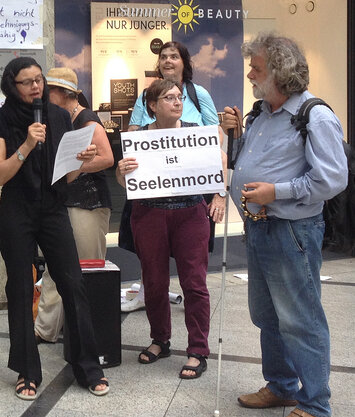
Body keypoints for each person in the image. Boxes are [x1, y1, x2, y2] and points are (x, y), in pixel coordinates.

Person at [221, 34, 346, 417]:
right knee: (268, 317)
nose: (249, 74)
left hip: (292, 233)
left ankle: (315, 404)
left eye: (256, 68)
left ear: (280, 72)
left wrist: (277, 191)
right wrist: (235, 139)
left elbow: (331, 179)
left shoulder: (315, 115)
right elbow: (250, 163)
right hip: (259, 229)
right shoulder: (261, 113)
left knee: (301, 321)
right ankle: (281, 387)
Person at [0, 57, 109, 400]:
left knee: (72, 283)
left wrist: (80, 163)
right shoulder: (0, 120)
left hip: (54, 207)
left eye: (39, 79)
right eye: (27, 82)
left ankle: (88, 365)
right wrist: (26, 145)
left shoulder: (58, 116)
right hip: (16, 210)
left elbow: (67, 175)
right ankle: (27, 370)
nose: (36, 87)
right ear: (12, 86)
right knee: (21, 288)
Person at [116, 79, 225, 380]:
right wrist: (121, 171)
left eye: (179, 97)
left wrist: (219, 194)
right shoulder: (137, 136)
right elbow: (124, 180)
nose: (177, 102)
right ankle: (160, 339)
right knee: (153, 281)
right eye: (169, 98)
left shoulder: (195, 133)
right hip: (149, 214)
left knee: (194, 283)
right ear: (152, 105)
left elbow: (217, 166)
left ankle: (198, 350)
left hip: (190, 214)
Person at [122, 40, 221, 313]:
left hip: (190, 194)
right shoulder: (146, 97)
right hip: (154, 192)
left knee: (193, 268)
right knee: (153, 264)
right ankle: (149, 298)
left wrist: (218, 192)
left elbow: (215, 139)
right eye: (163, 57)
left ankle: (194, 316)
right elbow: (133, 134)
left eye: (174, 57)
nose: (167, 61)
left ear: (183, 63)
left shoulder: (198, 94)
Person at [33, 67, 114, 343]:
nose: (44, 96)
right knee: (59, 267)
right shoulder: (60, 118)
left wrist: (71, 168)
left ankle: (83, 331)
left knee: (88, 270)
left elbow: (107, 158)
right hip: (68, 201)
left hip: (88, 203)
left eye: (49, 91)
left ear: (63, 94)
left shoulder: (87, 120)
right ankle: (49, 328)